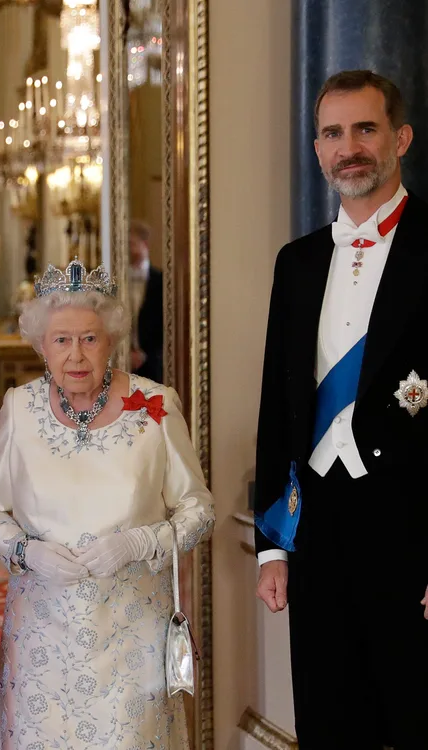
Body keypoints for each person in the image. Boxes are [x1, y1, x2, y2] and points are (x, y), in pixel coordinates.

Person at [0, 259, 215, 750]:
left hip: (132, 633)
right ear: (41, 345)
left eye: (89, 338)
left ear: (112, 341)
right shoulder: (19, 408)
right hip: (41, 631)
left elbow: (198, 508)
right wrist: (25, 552)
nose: (76, 355)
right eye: (61, 340)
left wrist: (142, 540)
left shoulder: (156, 405)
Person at [254, 70, 428, 749]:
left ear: (401, 138)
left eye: (365, 128)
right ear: (318, 149)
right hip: (318, 529)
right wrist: (272, 543)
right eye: (332, 132)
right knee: (328, 721)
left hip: (411, 527)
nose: (347, 146)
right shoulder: (295, 263)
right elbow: (277, 405)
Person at [127, 219, 163, 382]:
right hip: (122, 363)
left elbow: (165, 323)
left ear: (145, 245)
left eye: (132, 243)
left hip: (152, 364)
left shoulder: (161, 280)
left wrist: (144, 354)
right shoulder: (117, 280)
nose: (128, 249)